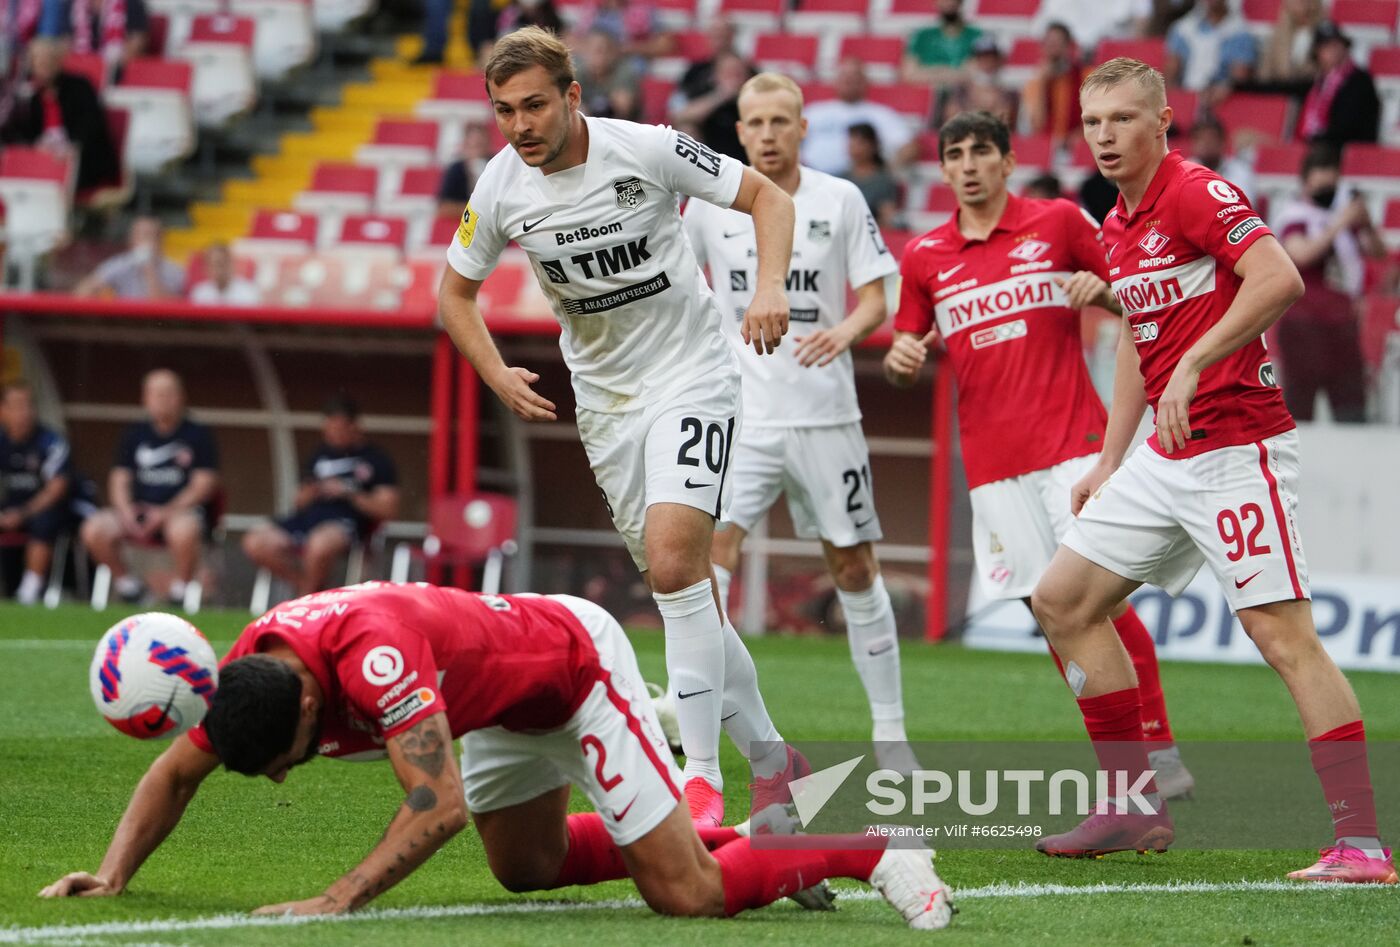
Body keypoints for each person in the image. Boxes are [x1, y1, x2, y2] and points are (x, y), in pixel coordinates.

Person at [38, 582, 954, 930]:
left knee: (685, 897)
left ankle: (866, 840)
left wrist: (337, 896)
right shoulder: (254, 676)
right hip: (494, 706)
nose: (285, 775)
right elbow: (173, 769)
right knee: (528, 868)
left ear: (316, 701)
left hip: (571, 670)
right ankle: (755, 838)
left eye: (294, 756)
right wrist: (113, 875)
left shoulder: (375, 659)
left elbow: (434, 804)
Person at [1029, 58, 1393, 883]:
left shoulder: (1196, 191)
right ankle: (1131, 805)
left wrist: (1193, 363)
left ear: (1163, 124)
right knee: (1062, 599)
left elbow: (1280, 277)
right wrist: (1109, 460)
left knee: (1281, 635)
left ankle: (1362, 844)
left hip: (1237, 446)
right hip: (1162, 455)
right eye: (1093, 123)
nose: (1106, 136)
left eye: (1123, 119)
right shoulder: (1116, 223)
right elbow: (1135, 335)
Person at [436, 28, 800, 829]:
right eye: (504, 111)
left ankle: (700, 780)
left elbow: (769, 198)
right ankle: (778, 764)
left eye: (535, 105)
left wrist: (769, 286)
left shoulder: (648, 148)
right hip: (607, 406)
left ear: (573, 96)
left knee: (676, 567)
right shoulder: (499, 187)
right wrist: (495, 372)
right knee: (687, 593)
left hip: (693, 375)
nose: (520, 125)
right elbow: (453, 294)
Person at [883, 109, 1192, 800]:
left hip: (1073, 447)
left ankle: (1158, 756)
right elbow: (908, 354)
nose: (967, 165)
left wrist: (1106, 292)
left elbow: (1145, 299)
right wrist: (904, 358)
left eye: (981, 152)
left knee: (1096, 603)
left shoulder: (1057, 221)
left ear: (1007, 160)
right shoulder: (925, 257)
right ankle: (1124, 769)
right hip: (993, 466)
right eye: (954, 153)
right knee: (1051, 615)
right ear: (942, 169)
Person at [683, 73, 913, 773]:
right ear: (741, 130)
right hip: (741, 418)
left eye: (783, 121)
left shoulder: (839, 199)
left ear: (804, 127)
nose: (769, 133)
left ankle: (891, 733)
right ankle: (739, 737)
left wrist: (845, 331)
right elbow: (686, 293)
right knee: (704, 570)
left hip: (824, 415)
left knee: (853, 565)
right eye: (757, 122)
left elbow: (879, 295)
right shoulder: (710, 208)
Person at [80, 369, 220, 605]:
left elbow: (204, 484)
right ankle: (128, 587)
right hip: (138, 511)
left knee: (184, 528)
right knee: (94, 528)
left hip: (178, 513)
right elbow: (119, 479)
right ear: (144, 398)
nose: (162, 399)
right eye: (156, 394)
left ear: (181, 397)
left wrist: (164, 513)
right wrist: (126, 513)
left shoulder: (198, 435)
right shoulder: (134, 434)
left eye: (168, 393)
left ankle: (180, 591)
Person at [1271, 145, 1387, 422]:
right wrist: (1339, 223)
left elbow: (1378, 252)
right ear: (1306, 182)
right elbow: (1302, 254)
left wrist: (1365, 222)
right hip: (1304, 322)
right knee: (1299, 409)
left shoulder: (1345, 219)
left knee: (1351, 408)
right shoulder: (1295, 217)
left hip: (1341, 324)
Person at [243, 395, 400, 596]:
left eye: (339, 428)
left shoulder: (376, 459)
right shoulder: (319, 454)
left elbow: (389, 508)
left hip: (345, 522)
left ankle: (306, 599)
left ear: (353, 426)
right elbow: (298, 501)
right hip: (308, 519)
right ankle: (310, 591)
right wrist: (313, 491)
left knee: (318, 545)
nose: (333, 434)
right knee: (255, 542)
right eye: (329, 428)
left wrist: (348, 493)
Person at [0, 381, 90, 605]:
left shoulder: (51, 442)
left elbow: (56, 488)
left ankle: (29, 590)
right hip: (13, 507)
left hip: (55, 508)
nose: (25, 412)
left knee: (45, 521)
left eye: (29, 405)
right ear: (3, 410)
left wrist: (22, 514)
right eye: (17, 406)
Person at [0, 37, 119, 191]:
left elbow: (91, 125)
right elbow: (14, 131)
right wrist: (34, 146)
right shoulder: (27, 95)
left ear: (59, 62)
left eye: (49, 60)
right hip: (41, 160)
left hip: (80, 159)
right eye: (39, 61)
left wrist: (72, 147)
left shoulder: (80, 86)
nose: (45, 66)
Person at [802, 59, 915, 177]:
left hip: (857, 184)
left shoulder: (881, 114)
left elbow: (909, 148)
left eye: (855, 77)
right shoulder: (813, 111)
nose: (849, 81)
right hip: (810, 179)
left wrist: (882, 173)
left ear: (865, 82)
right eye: (845, 76)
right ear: (836, 80)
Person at [1295, 22, 1380, 148]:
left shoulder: (1359, 80)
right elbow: (1282, 87)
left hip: (1345, 150)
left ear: (1345, 47)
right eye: (1326, 46)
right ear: (1317, 52)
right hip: (1320, 146)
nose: (1333, 50)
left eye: (1336, 44)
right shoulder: (1317, 83)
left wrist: (1317, 140)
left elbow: (1349, 125)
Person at [1164, 0, 1257, 103]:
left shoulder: (1240, 35)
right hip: (1185, 99)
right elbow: (1171, 75)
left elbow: (1239, 79)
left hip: (1220, 102)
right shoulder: (1182, 30)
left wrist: (1222, 90)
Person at [668, 49, 751, 162]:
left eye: (738, 73)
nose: (734, 79)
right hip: (711, 160)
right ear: (716, 76)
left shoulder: (754, 96)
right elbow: (680, 117)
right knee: (686, 128)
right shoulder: (704, 92)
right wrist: (720, 96)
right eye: (729, 73)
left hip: (746, 159)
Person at [73, 216, 184, 300]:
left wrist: (150, 269)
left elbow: (159, 304)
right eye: (140, 235)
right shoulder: (121, 263)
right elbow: (81, 293)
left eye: (149, 235)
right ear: (131, 239)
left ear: (160, 240)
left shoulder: (174, 270)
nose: (145, 241)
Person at [1020, 22, 1083, 150]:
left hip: (1076, 145)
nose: (1053, 49)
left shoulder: (1083, 76)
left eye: (1057, 43)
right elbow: (1037, 125)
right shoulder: (1034, 83)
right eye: (1049, 44)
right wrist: (1042, 83)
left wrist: (1080, 134)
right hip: (1045, 147)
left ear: (1068, 47)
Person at [937, 34, 1017, 128]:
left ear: (999, 60)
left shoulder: (1008, 93)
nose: (987, 62)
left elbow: (1004, 119)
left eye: (991, 57)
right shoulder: (961, 90)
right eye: (982, 57)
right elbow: (952, 117)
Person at [903, 0, 984, 84]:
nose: (948, 2)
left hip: (963, 94)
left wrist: (931, 72)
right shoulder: (921, 37)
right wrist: (952, 73)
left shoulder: (977, 36)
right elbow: (908, 75)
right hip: (927, 92)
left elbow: (976, 73)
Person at [574, 28, 642, 122]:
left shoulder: (624, 70)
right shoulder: (576, 71)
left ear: (613, 53)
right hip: (585, 126)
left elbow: (623, 108)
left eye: (604, 50)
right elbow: (567, 103)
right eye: (594, 50)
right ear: (585, 51)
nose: (600, 55)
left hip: (620, 126)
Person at [842, 122, 901, 228]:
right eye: (852, 142)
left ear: (873, 146)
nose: (854, 148)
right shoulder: (840, 177)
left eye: (860, 143)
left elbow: (887, 216)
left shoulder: (883, 181)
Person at [1186, 117, 1255, 202]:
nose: (1206, 143)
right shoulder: (1184, 172)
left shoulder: (1240, 171)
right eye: (1200, 138)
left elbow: (1244, 205)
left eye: (1211, 138)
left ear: (1222, 142)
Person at [1258, 0, 1323, 89]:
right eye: (1298, 3)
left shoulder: (1324, 34)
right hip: (1280, 90)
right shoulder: (1278, 34)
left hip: (1311, 90)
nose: (1304, 7)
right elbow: (1265, 71)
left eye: (1307, 2)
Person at [436, 123, 495, 218]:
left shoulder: (495, 166)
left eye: (480, 145)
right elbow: (443, 207)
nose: (476, 152)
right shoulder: (456, 170)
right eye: (472, 146)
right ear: (465, 146)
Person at [188, 243, 259, 306]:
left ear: (230, 264)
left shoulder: (247, 292)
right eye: (212, 265)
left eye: (220, 264)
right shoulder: (199, 292)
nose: (217, 269)